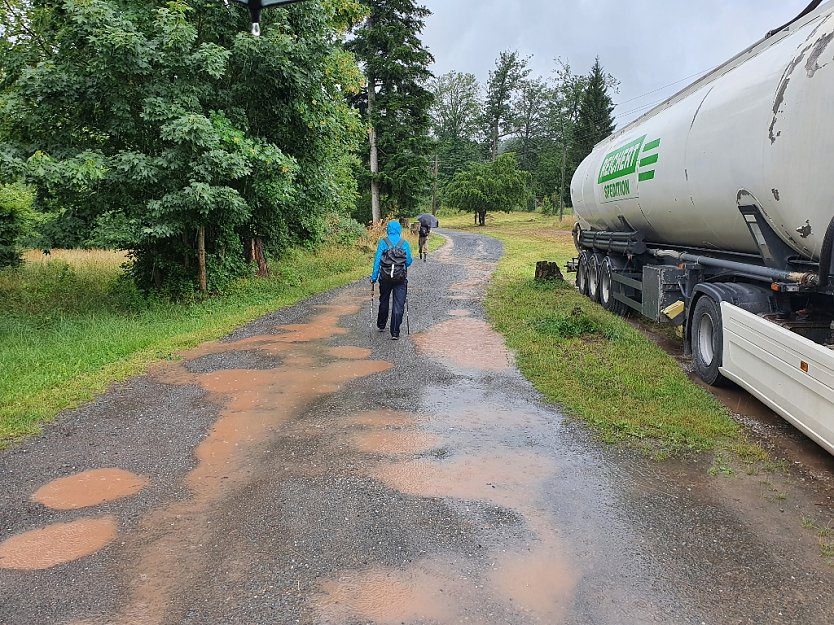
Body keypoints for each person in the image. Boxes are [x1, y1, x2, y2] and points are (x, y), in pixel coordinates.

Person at [370, 221, 413, 340]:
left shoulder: (383, 242)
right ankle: (395, 332)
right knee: (398, 304)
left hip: (384, 277)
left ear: (388, 229)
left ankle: (381, 324)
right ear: (399, 230)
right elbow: (409, 261)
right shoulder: (404, 243)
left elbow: (377, 261)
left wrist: (374, 277)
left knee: (384, 300)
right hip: (400, 278)